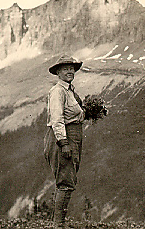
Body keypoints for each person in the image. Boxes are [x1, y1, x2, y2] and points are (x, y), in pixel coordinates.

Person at [44, 54, 85, 228]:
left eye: (71, 68)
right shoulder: (58, 91)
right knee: (65, 180)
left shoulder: (69, 90)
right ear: (58, 73)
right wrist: (64, 143)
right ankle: (58, 225)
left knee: (68, 178)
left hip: (73, 136)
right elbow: (57, 119)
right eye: (65, 69)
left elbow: (73, 113)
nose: (69, 71)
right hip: (63, 138)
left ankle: (58, 223)